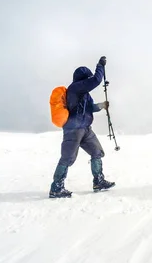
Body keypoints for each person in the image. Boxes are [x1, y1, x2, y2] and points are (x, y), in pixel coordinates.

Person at [49, 56, 115, 198]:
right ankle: (56, 188)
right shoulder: (75, 88)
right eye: (87, 78)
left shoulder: (84, 93)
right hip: (73, 129)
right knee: (67, 158)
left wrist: (101, 106)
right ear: (82, 78)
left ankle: (98, 181)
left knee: (97, 152)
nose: (89, 80)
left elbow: (90, 107)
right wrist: (100, 66)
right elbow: (96, 80)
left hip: (85, 129)